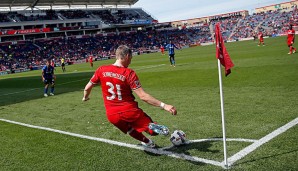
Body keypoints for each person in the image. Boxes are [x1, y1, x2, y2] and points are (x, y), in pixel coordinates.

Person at [82, 45, 178, 148]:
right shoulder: (129, 73)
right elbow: (143, 96)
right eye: (131, 58)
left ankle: (148, 142)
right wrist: (164, 105)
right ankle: (151, 127)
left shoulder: (101, 69)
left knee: (130, 129)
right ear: (127, 56)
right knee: (151, 130)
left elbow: (87, 88)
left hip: (112, 115)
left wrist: (85, 97)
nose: (130, 61)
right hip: (129, 111)